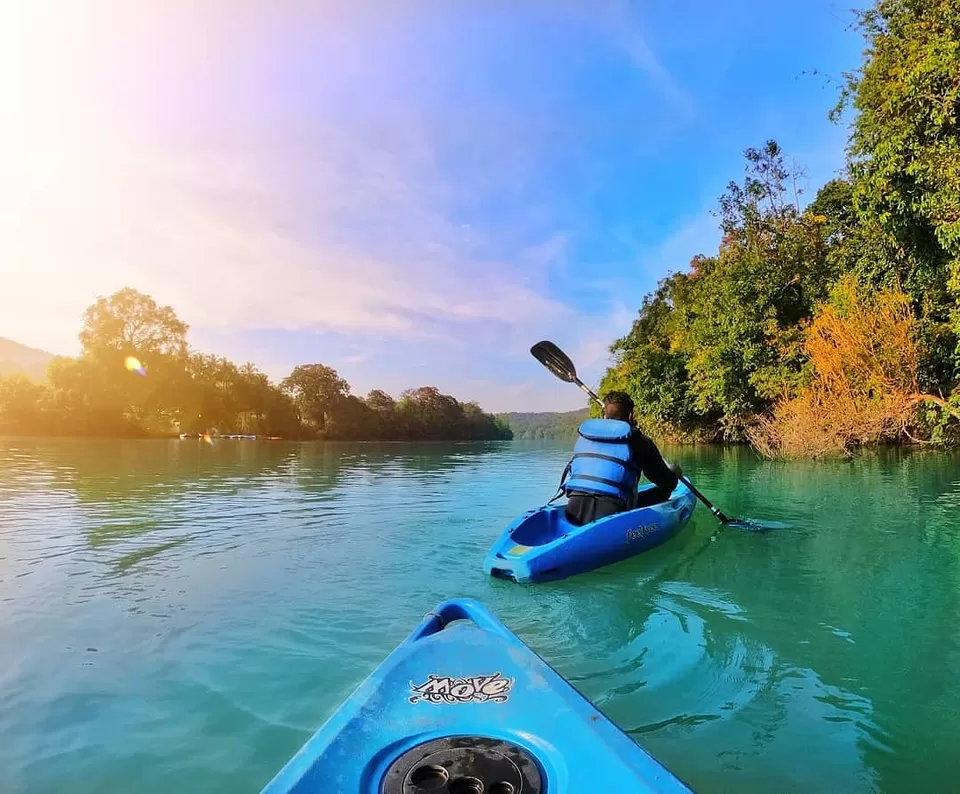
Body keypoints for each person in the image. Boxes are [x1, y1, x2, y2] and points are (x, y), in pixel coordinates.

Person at [561, 390, 682, 527]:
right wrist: (674, 474)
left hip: (574, 510)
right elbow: (663, 480)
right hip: (612, 515)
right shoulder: (639, 441)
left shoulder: (585, 437)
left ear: (603, 415)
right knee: (667, 486)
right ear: (631, 415)